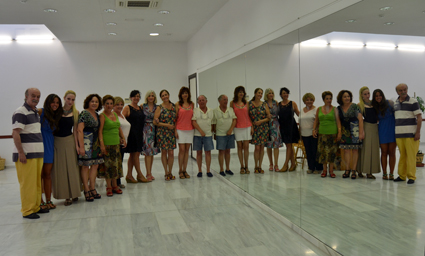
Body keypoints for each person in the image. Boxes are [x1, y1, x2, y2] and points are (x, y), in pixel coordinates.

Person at [12, 88, 49, 219]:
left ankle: (36, 207)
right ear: (26, 96)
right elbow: (15, 133)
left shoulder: (35, 112)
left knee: (36, 183)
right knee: (27, 184)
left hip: (37, 154)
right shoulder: (20, 112)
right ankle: (27, 210)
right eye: (33, 96)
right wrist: (21, 152)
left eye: (38, 96)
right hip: (26, 155)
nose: (36, 98)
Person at [52, 90, 81, 206]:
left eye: (73, 99)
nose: (70, 101)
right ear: (64, 98)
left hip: (69, 141)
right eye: (69, 99)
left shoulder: (76, 112)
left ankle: (74, 193)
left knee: (72, 168)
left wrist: (77, 146)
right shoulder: (56, 112)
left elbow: (75, 131)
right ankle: (66, 196)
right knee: (61, 169)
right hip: (57, 142)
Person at [393, 83, 422, 184]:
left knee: (411, 156)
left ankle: (411, 177)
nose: (403, 91)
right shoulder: (395, 102)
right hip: (399, 134)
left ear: (407, 90)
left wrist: (418, 132)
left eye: (404, 89)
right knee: (402, 156)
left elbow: (419, 117)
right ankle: (402, 176)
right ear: (397, 92)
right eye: (400, 90)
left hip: (411, 134)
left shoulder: (413, 101)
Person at [38, 94, 63, 210]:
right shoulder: (40, 112)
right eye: (53, 102)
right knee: (38, 175)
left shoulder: (56, 116)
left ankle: (48, 199)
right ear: (48, 103)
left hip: (49, 145)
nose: (55, 105)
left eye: (57, 102)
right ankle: (40, 200)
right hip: (38, 145)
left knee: (47, 174)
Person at [78, 94, 104, 201]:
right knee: (85, 166)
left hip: (95, 143)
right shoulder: (84, 113)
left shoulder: (97, 115)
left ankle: (93, 188)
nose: (94, 103)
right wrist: (81, 147)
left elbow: (99, 131)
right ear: (88, 102)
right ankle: (86, 189)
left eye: (96, 102)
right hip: (86, 142)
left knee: (95, 166)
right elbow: (79, 130)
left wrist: (101, 144)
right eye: (92, 101)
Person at [99, 95, 126, 197]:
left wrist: (123, 138)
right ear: (104, 104)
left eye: (111, 103)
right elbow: (100, 131)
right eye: (107, 104)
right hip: (107, 144)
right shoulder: (102, 116)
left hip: (116, 145)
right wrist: (102, 144)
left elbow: (118, 128)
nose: (109, 105)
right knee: (108, 167)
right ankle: (109, 187)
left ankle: (115, 186)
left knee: (116, 166)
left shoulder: (114, 114)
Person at [122, 90, 149, 183]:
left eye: (138, 96)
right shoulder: (127, 108)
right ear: (131, 97)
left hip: (139, 134)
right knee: (135, 155)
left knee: (133, 155)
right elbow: (121, 120)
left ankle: (129, 175)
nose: (136, 98)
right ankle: (139, 174)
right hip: (131, 134)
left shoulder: (140, 107)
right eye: (134, 96)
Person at [313, 91, 341, 178]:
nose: (329, 100)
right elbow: (316, 121)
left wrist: (339, 132)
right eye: (327, 99)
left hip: (332, 133)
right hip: (322, 134)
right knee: (323, 153)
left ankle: (331, 171)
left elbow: (338, 122)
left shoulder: (335, 109)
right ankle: (324, 170)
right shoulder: (319, 109)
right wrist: (314, 129)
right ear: (323, 99)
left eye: (330, 98)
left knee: (332, 153)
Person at [337, 90, 364, 179]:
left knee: (355, 150)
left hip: (355, 130)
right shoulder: (338, 108)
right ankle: (347, 169)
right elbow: (338, 122)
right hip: (345, 131)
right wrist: (340, 132)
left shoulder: (355, 106)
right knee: (346, 151)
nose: (347, 98)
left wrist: (361, 132)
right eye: (345, 96)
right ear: (341, 98)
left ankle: (354, 170)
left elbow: (360, 119)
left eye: (348, 96)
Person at [372, 89, 396, 180]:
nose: (378, 97)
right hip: (382, 130)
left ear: (383, 95)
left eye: (380, 95)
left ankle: (392, 173)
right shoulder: (374, 106)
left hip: (392, 130)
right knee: (384, 152)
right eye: (376, 96)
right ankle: (384, 173)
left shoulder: (390, 103)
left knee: (392, 152)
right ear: (374, 98)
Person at [357, 86, 380, 179]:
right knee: (365, 150)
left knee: (373, 150)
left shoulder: (374, 104)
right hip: (366, 127)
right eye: (365, 94)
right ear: (362, 95)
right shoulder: (359, 105)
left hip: (375, 128)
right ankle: (360, 170)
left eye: (368, 93)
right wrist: (361, 132)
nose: (367, 95)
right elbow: (359, 120)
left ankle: (370, 172)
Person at [154, 89, 177, 181]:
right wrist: (166, 125)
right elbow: (155, 122)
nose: (165, 97)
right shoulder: (159, 107)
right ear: (161, 98)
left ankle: (170, 172)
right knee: (164, 152)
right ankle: (166, 172)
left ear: (169, 95)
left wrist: (175, 129)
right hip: (162, 133)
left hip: (171, 133)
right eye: (163, 95)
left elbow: (176, 120)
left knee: (171, 153)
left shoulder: (174, 106)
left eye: (166, 95)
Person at [212, 94, 237, 176]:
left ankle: (228, 168)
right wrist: (214, 133)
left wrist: (230, 130)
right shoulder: (215, 111)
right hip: (220, 134)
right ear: (219, 101)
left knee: (228, 151)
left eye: (226, 99)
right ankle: (221, 169)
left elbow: (234, 120)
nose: (226, 101)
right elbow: (214, 124)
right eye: (224, 99)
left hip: (230, 133)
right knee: (221, 151)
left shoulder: (230, 109)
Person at [230, 86, 252, 174]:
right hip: (237, 127)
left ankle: (246, 166)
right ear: (236, 93)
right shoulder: (232, 103)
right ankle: (242, 166)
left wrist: (252, 127)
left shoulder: (246, 102)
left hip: (247, 126)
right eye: (239, 92)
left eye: (242, 92)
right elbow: (231, 116)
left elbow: (249, 115)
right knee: (240, 147)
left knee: (246, 147)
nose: (241, 93)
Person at [299, 93, 323, 174]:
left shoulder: (316, 110)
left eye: (311, 100)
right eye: (307, 100)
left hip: (313, 134)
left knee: (315, 151)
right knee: (308, 152)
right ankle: (311, 167)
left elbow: (319, 122)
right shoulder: (302, 110)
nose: (309, 101)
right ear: (304, 101)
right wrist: (300, 134)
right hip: (304, 134)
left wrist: (316, 130)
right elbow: (300, 122)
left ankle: (318, 168)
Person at [278, 87, 300, 172]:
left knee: (289, 146)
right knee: (288, 145)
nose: (285, 94)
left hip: (291, 127)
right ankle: (293, 164)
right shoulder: (279, 104)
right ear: (281, 95)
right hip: (283, 127)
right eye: (284, 93)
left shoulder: (292, 103)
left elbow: (299, 114)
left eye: (287, 93)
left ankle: (286, 164)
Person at [249, 88, 270, 174]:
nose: (260, 95)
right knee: (257, 148)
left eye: (261, 93)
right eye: (258, 93)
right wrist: (252, 126)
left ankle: (260, 166)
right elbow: (247, 116)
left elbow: (268, 117)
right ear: (255, 93)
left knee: (262, 148)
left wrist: (261, 121)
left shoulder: (264, 104)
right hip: (255, 129)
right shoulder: (249, 104)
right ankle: (256, 166)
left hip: (263, 128)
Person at [192, 95, 214, 177]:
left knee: (208, 152)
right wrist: (201, 131)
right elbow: (193, 122)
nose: (202, 102)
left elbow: (213, 122)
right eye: (200, 100)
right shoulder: (195, 110)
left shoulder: (211, 111)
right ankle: (200, 170)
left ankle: (208, 170)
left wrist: (211, 132)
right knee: (199, 152)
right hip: (197, 135)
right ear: (198, 102)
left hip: (208, 135)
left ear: (206, 101)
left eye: (203, 100)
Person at [175, 86, 194, 179]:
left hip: (190, 130)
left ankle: (185, 170)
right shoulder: (177, 104)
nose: (185, 95)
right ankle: (180, 170)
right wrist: (175, 130)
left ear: (188, 94)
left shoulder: (192, 104)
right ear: (180, 95)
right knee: (181, 150)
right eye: (183, 93)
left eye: (186, 93)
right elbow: (174, 118)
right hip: (180, 129)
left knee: (187, 150)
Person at [141, 90, 160, 181]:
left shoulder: (157, 107)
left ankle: (150, 172)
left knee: (151, 153)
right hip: (145, 130)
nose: (151, 97)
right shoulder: (143, 106)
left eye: (152, 96)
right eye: (149, 96)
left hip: (154, 130)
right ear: (147, 97)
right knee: (147, 153)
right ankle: (148, 174)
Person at [113, 97, 131, 188]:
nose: (120, 106)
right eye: (117, 104)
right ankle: (115, 182)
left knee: (119, 162)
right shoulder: (113, 115)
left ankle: (118, 181)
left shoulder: (122, 115)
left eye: (121, 104)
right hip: (117, 142)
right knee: (116, 162)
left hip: (124, 141)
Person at [264, 88, 283, 172]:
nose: (271, 94)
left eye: (272, 93)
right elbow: (267, 114)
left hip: (276, 125)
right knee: (269, 145)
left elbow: (280, 113)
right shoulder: (264, 103)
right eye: (269, 93)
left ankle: (276, 164)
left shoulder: (276, 103)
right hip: (267, 124)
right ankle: (271, 163)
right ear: (266, 95)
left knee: (276, 145)